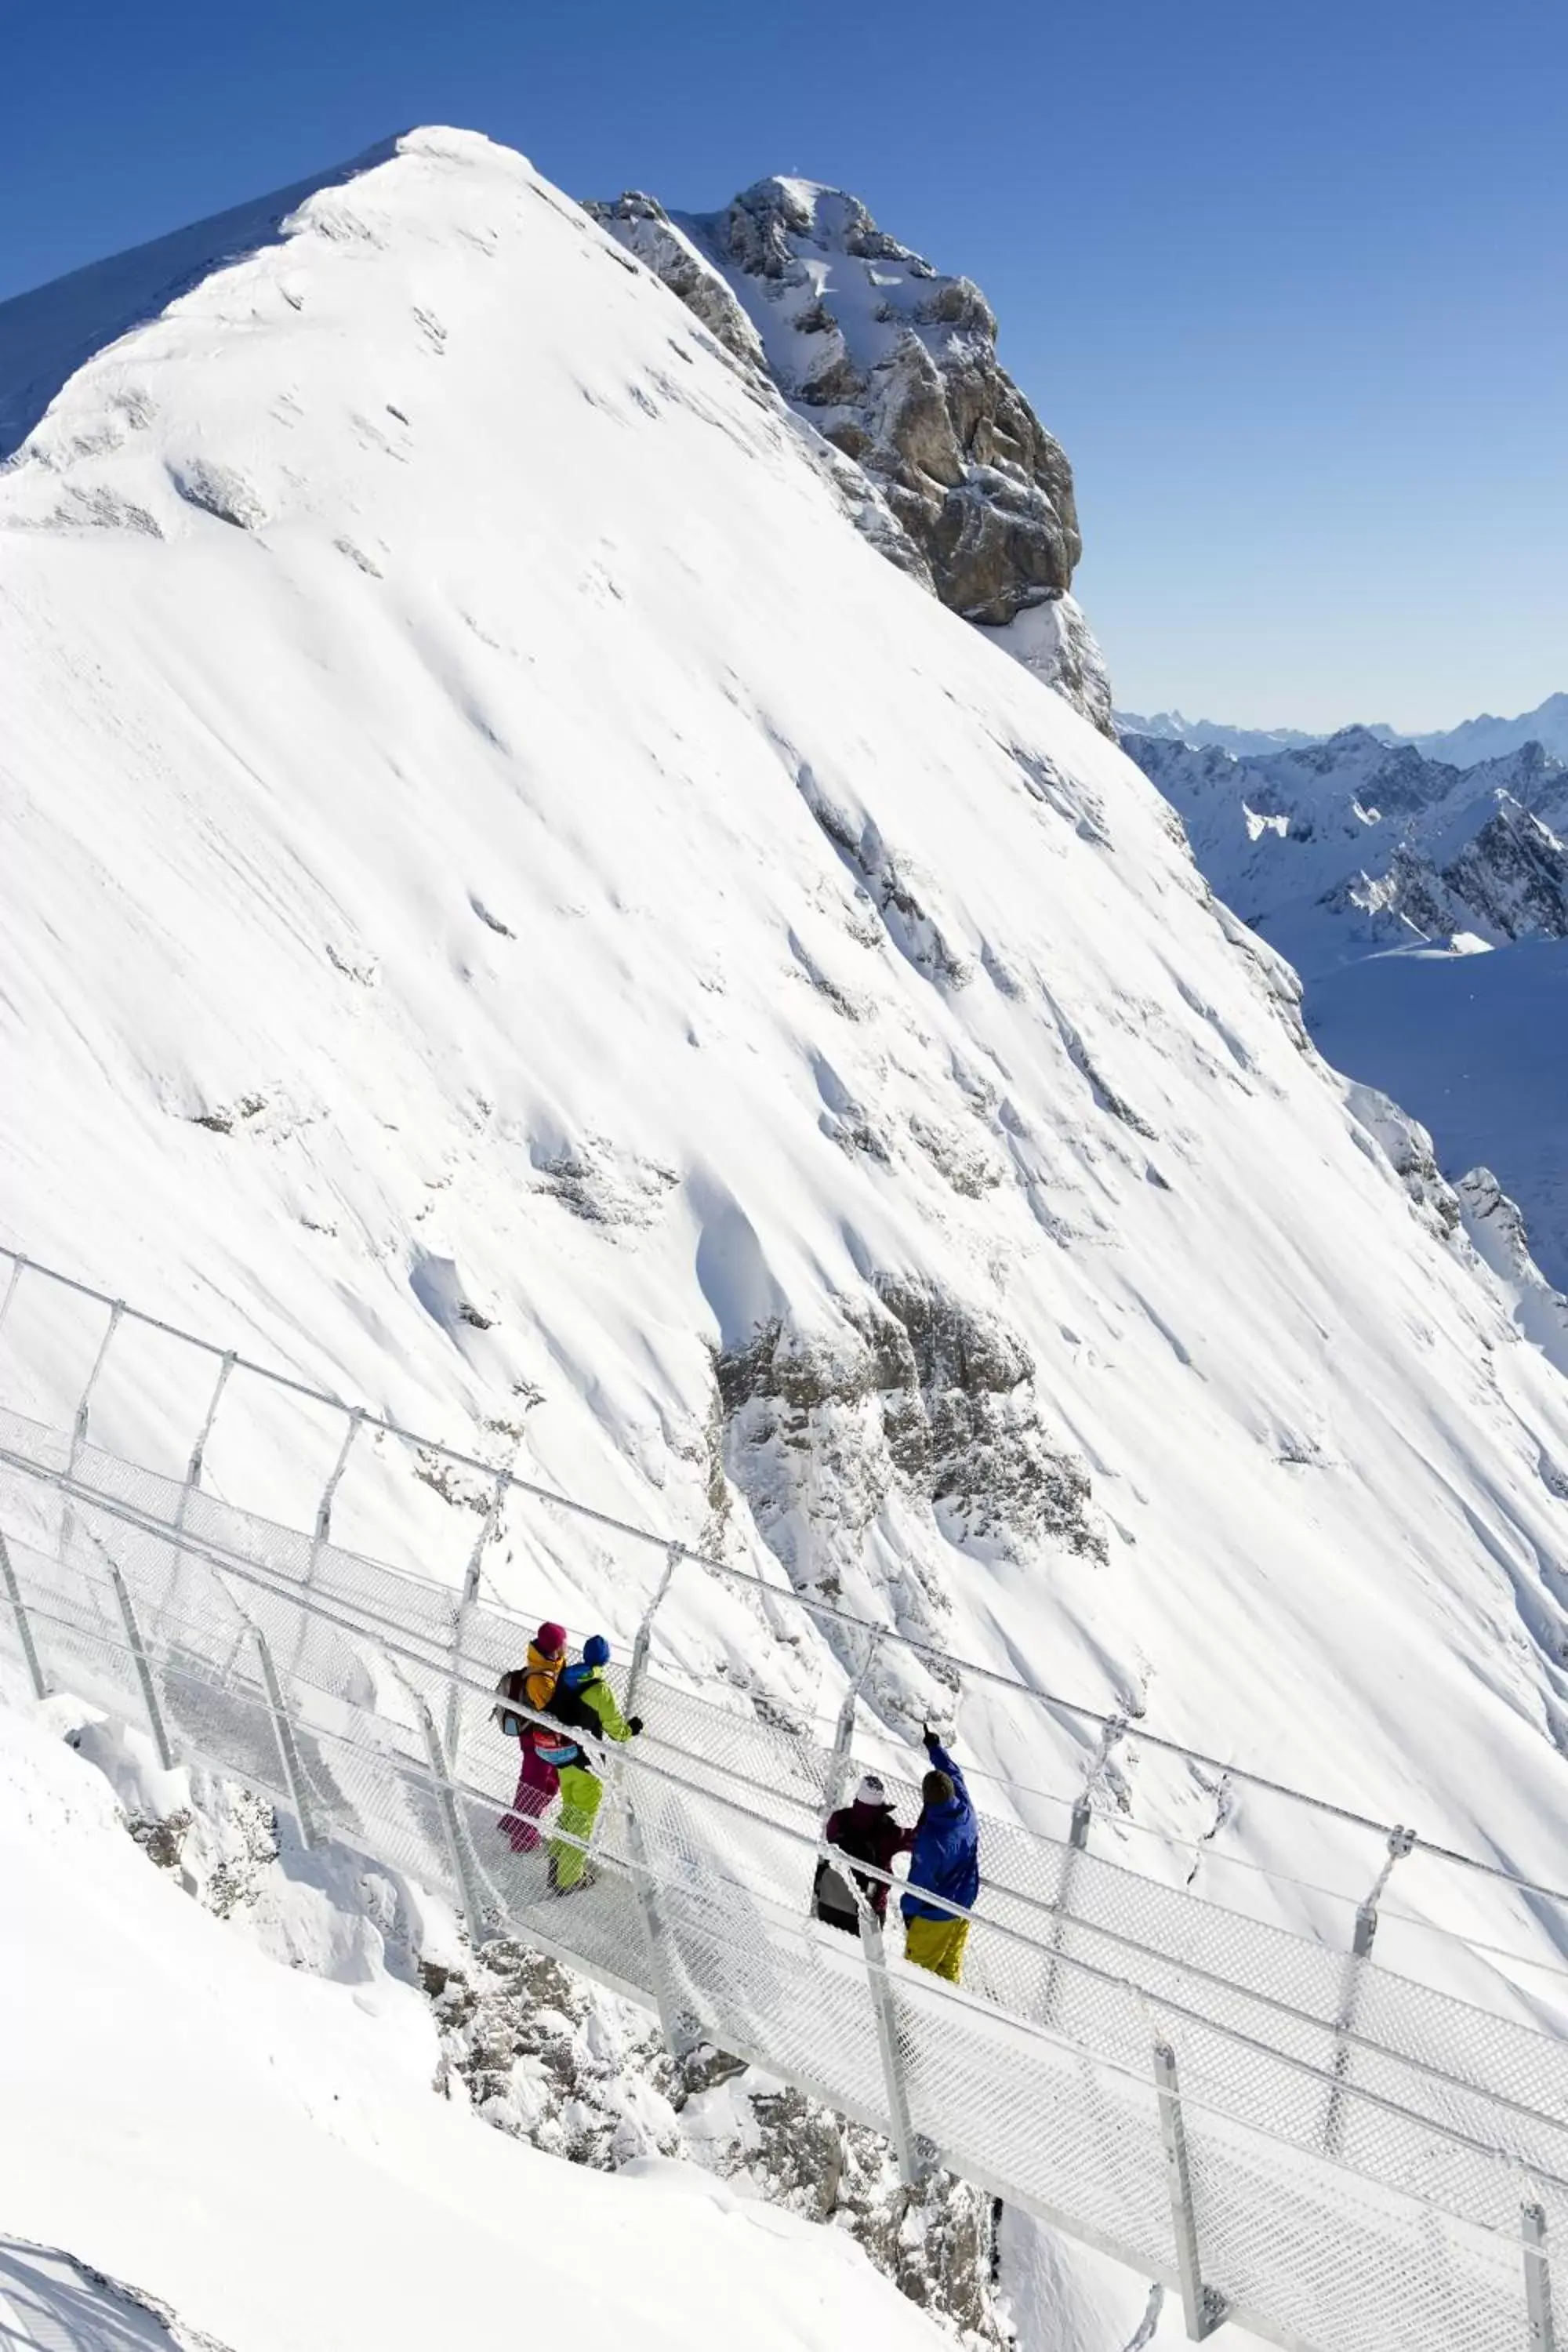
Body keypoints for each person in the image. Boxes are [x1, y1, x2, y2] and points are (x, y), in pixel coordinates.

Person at [541, 1634, 644, 1894]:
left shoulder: (566, 1677)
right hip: (588, 1764)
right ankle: (568, 1879)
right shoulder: (600, 1689)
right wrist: (632, 1729)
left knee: (570, 1811)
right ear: (605, 1660)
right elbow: (616, 1730)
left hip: (563, 1757)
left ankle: (557, 1859)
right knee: (583, 1821)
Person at [901, 1727, 979, 1984]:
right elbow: (954, 1772)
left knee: (917, 1975)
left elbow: (919, 1884)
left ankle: (907, 2020)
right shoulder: (964, 1805)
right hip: (963, 1907)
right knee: (949, 1971)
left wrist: (908, 1913)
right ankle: (945, 2019)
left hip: (935, 1915)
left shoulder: (932, 1840)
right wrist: (934, 1747)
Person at [495, 1621, 568, 1855]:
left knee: (546, 1783)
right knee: (534, 1787)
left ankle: (515, 1822)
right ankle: (523, 1841)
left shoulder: (548, 1664)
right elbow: (553, 1712)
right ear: (555, 1647)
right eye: (563, 1642)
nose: (567, 1645)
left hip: (541, 1739)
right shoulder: (541, 1678)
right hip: (537, 1739)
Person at [816, 1775, 913, 1936]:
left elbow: (830, 1840)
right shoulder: (889, 1832)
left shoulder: (838, 1820)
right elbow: (915, 1840)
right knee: (860, 1959)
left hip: (828, 1902)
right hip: (868, 1913)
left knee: (824, 1950)